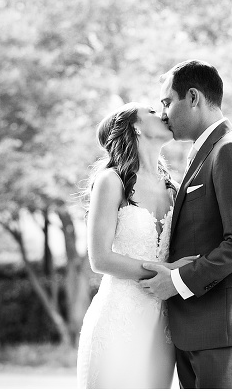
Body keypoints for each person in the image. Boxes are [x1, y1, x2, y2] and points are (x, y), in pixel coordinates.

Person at [140, 60, 232, 389]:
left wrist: (179, 281)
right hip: (196, 327)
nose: (163, 113)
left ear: (194, 97)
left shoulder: (231, 150)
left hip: (221, 326)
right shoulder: (203, 153)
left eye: (167, 102)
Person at [76, 102, 199, 388]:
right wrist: (167, 271)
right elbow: (100, 259)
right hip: (117, 317)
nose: (164, 113)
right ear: (136, 127)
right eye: (153, 112)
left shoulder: (174, 188)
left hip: (162, 325)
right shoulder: (111, 181)